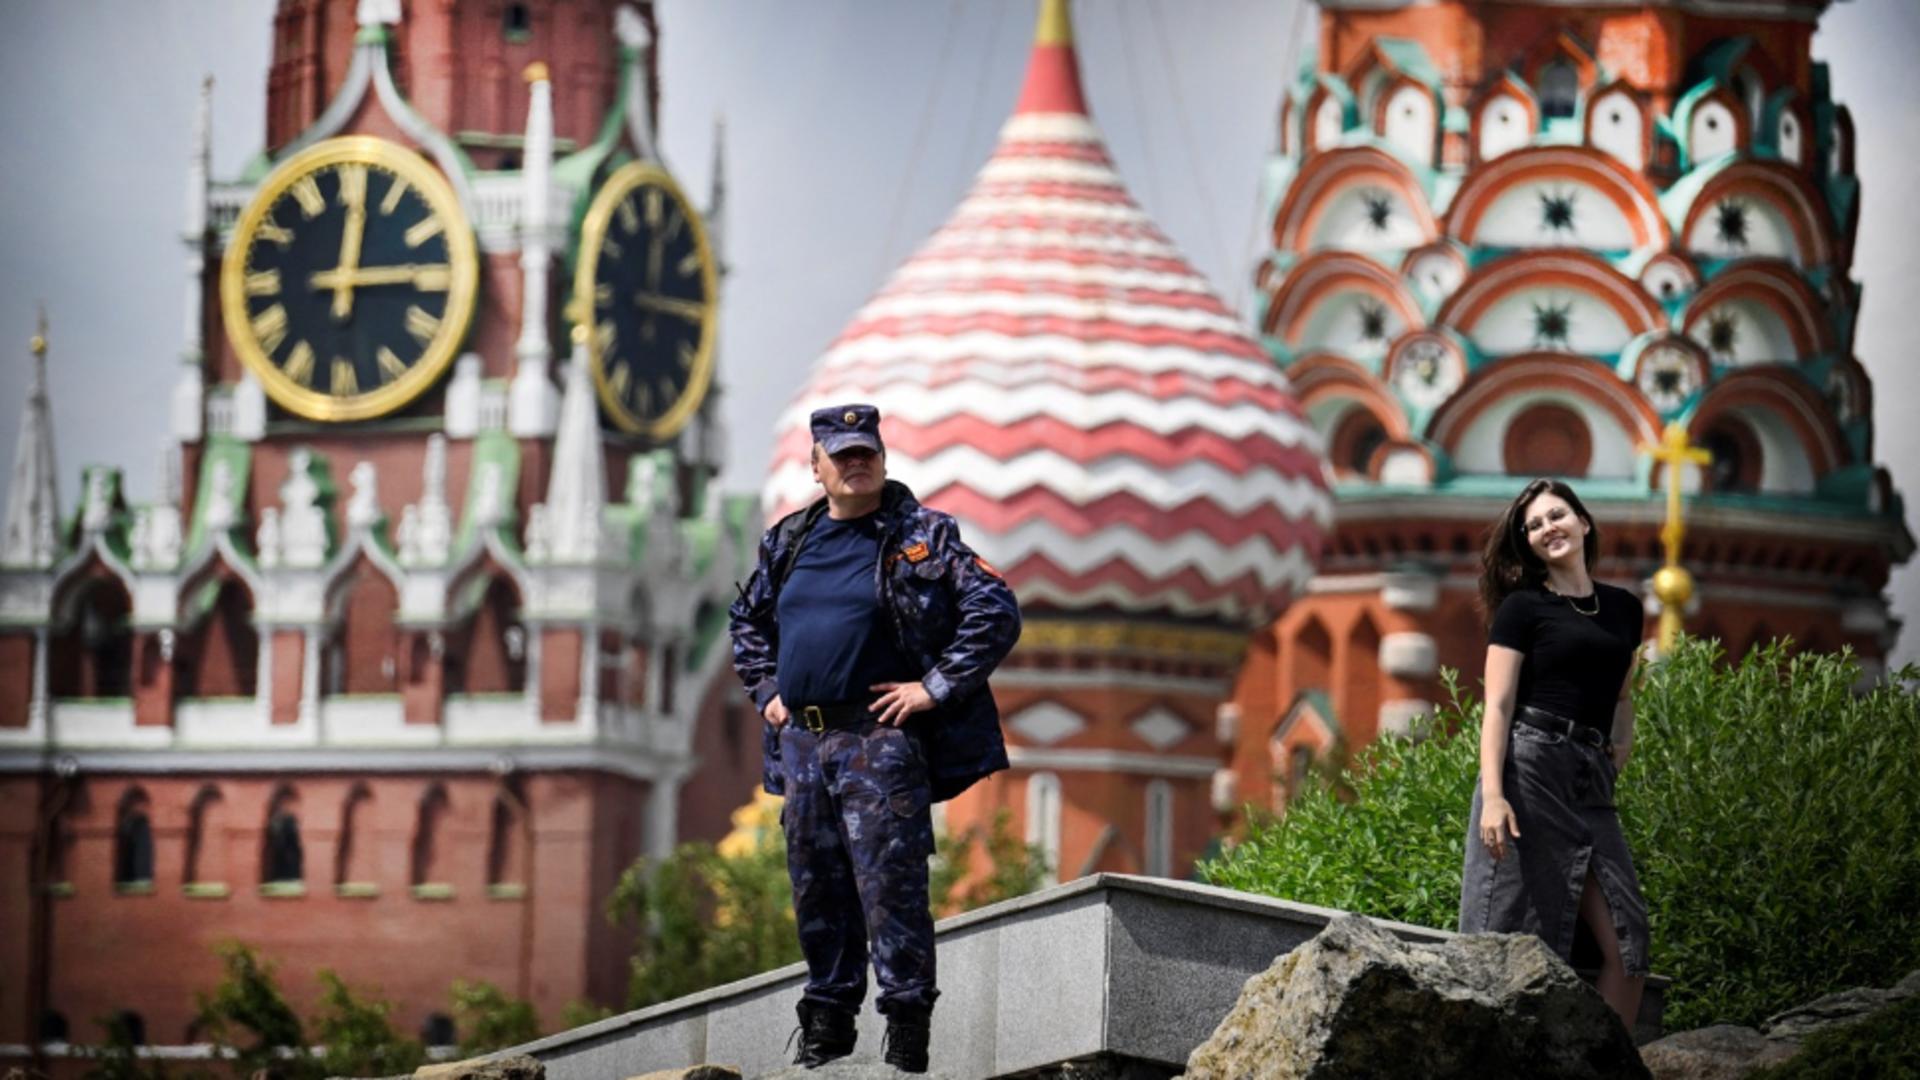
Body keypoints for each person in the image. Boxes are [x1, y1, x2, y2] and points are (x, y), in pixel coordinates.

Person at [728, 403, 1021, 1073]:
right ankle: (827, 1032)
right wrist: (768, 693)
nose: (857, 463)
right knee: (817, 889)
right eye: (843, 454)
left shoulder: (922, 535)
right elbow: (745, 622)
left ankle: (907, 1035)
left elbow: (995, 608)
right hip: (804, 745)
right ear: (816, 465)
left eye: (867, 452)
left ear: (884, 460)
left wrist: (935, 687)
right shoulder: (789, 540)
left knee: (890, 888)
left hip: (878, 743)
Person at [1459, 477, 1650, 1029]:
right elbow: (1496, 706)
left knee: (1627, 937)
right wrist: (1494, 796)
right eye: (1535, 525)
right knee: (1514, 934)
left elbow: (1622, 692)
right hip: (1531, 765)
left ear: (1584, 522)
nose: (1548, 529)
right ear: (1529, 544)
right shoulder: (1523, 609)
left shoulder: (1623, 609)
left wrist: (1622, 744)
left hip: (1590, 776)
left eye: (1557, 516)